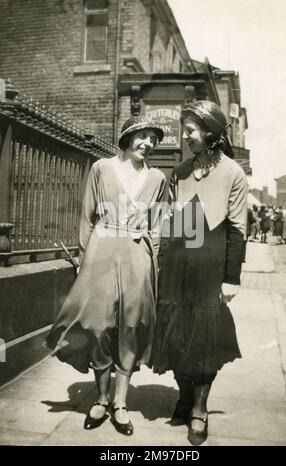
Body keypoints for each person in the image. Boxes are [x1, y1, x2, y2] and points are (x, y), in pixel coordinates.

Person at [46, 116, 166, 436]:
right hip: (102, 248)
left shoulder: (157, 178)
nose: (148, 143)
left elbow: (157, 224)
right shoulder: (101, 168)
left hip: (137, 253)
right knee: (98, 325)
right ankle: (100, 398)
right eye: (142, 136)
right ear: (127, 137)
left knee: (130, 326)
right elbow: (87, 215)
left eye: (153, 139)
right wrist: (85, 258)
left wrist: (152, 264)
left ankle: (120, 403)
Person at [151, 101, 248, 446]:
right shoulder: (179, 172)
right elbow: (170, 226)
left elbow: (237, 229)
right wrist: (161, 262)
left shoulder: (233, 173)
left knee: (204, 340)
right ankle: (184, 396)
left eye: (190, 130)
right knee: (176, 334)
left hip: (210, 262)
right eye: (184, 130)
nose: (185, 137)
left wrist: (231, 277)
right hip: (177, 263)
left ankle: (200, 409)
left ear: (210, 133)